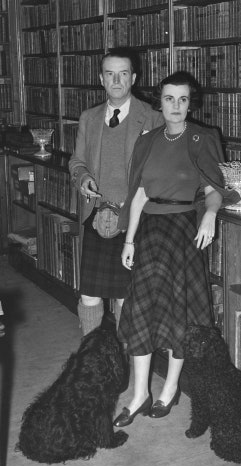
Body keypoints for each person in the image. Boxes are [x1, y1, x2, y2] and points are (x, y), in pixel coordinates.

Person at [113, 71, 240, 427]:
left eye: (183, 99)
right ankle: (139, 394)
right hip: (150, 230)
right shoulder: (148, 141)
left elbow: (215, 187)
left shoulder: (202, 138)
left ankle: (169, 388)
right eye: (169, 98)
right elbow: (138, 195)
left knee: (179, 310)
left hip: (183, 228)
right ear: (159, 101)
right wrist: (128, 240)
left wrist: (209, 216)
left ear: (190, 102)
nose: (176, 106)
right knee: (141, 308)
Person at [69, 47, 163, 335]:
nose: (117, 80)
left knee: (126, 295)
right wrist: (83, 177)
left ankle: (123, 359)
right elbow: (77, 160)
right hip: (96, 217)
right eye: (110, 74)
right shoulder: (89, 117)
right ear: (101, 79)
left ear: (133, 78)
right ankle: (91, 356)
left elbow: (159, 171)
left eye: (123, 74)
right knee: (89, 295)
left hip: (133, 221)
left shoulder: (151, 118)